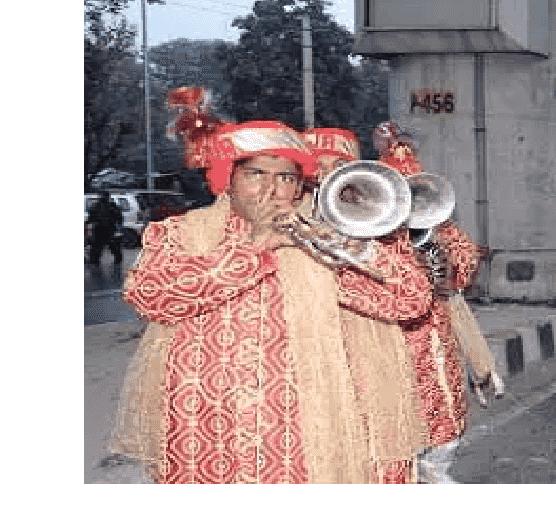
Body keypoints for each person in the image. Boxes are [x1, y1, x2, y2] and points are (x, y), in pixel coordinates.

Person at [110, 120, 435, 483]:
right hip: (207, 423)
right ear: (227, 179)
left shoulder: (321, 235)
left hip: (306, 426)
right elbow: (149, 297)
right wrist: (251, 250)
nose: (272, 190)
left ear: (298, 187)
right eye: (256, 174)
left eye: (286, 178)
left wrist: (349, 246)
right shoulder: (180, 233)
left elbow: (410, 300)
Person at [301, 126, 429, 483]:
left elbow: (414, 299)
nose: (324, 174)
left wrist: (359, 250)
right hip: (308, 367)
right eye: (316, 165)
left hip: (369, 364)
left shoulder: (377, 223)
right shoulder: (285, 222)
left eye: (336, 165)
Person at [376, 123, 502, 483]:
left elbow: (465, 261)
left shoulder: (442, 228)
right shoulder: (368, 230)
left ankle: (436, 473)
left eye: (413, 193)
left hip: (435, 331)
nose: (407, 204)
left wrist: (450, 269)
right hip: (386, 335)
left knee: (444, 406)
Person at [86, 191, 123, 265]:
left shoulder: (104, 205)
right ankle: (95, 260)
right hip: (102, 228)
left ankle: (95, 260)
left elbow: (118, 217)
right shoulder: (99, 205)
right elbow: (119, 217)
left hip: (105, 228)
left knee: (106, 244)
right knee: (100, 245)